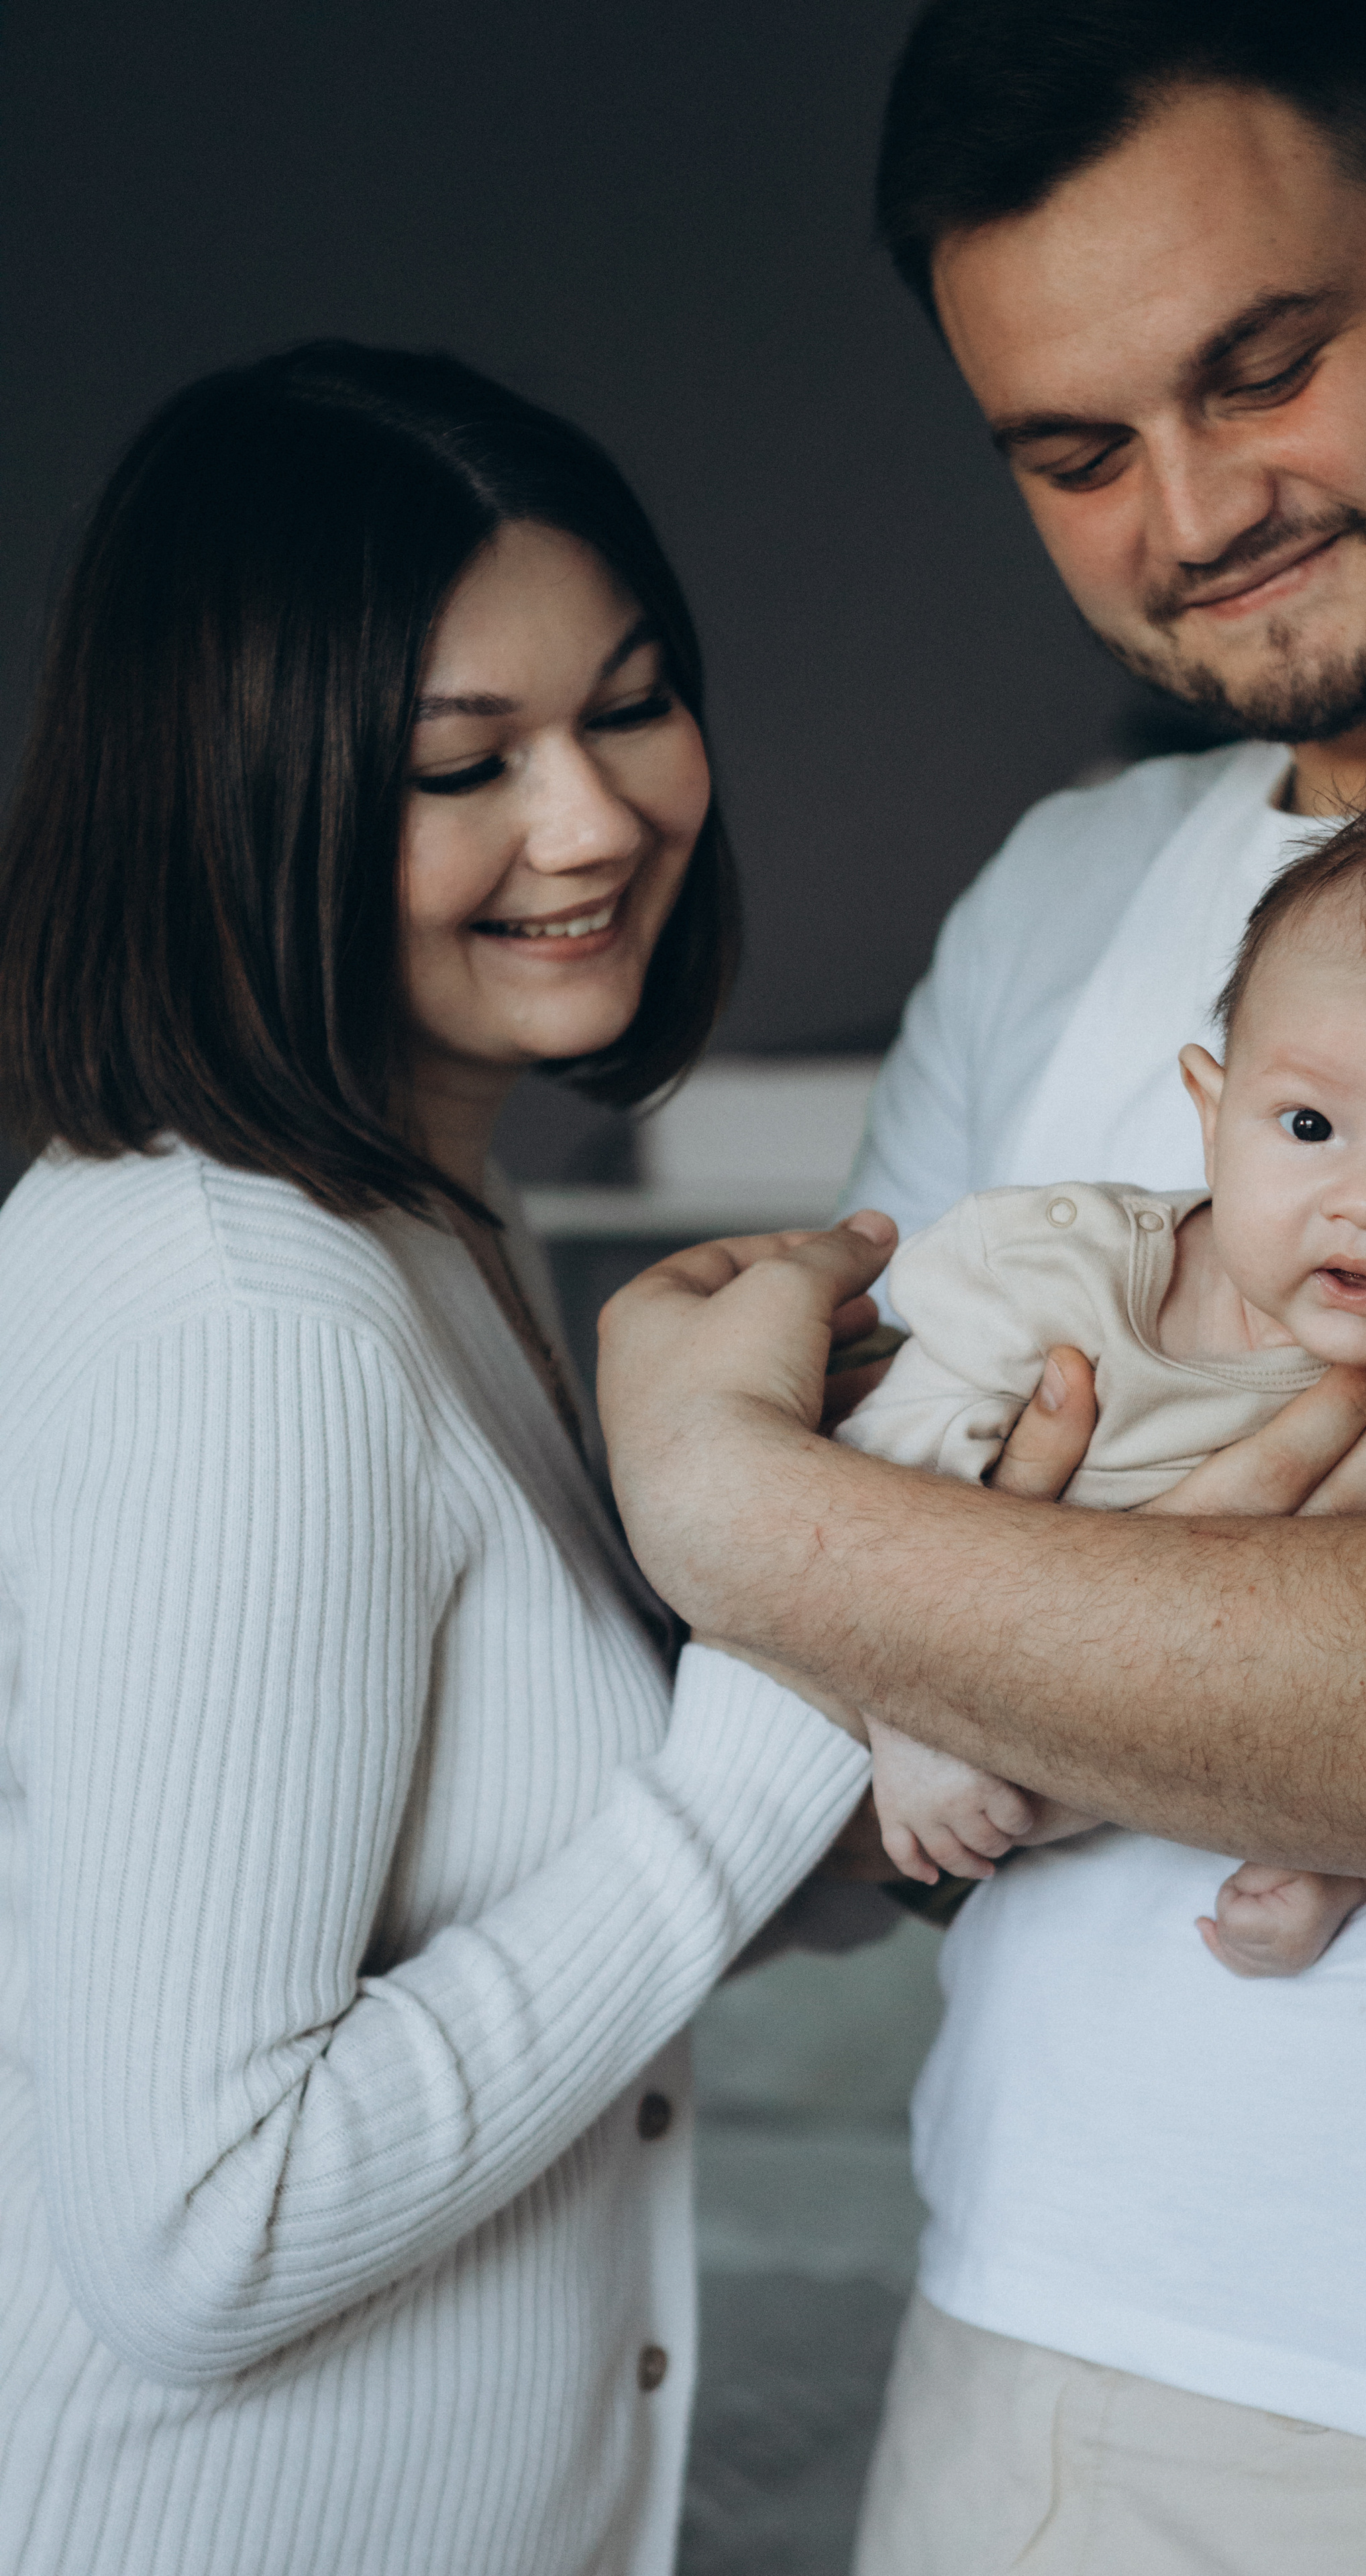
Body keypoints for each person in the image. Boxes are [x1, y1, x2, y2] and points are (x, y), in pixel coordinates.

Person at [592, 2, 1366, 2565]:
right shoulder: (1064, 901)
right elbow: (831, 1774)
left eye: (1262, 367)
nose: (1192, 511)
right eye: (1077, 452)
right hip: (1008, 2364)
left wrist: (724, 1497)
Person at [0, 341, 888, 2576]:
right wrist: (784, 1703)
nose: (591, 822)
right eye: (459, 764)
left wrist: (897, 1802)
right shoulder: (247, 1320)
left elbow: (485, 1890)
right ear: (243, 795)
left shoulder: (413, 1222)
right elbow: (203, 2230)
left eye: (629, 702)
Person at [842, 776, 1366, 1980]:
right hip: (955, 1737)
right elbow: (854, 1527)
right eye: (1311, 1127)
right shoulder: (1059, 1279)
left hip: (1165, 1797)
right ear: (1210, 1116)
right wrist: (906, 1712)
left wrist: (1343, 1862)